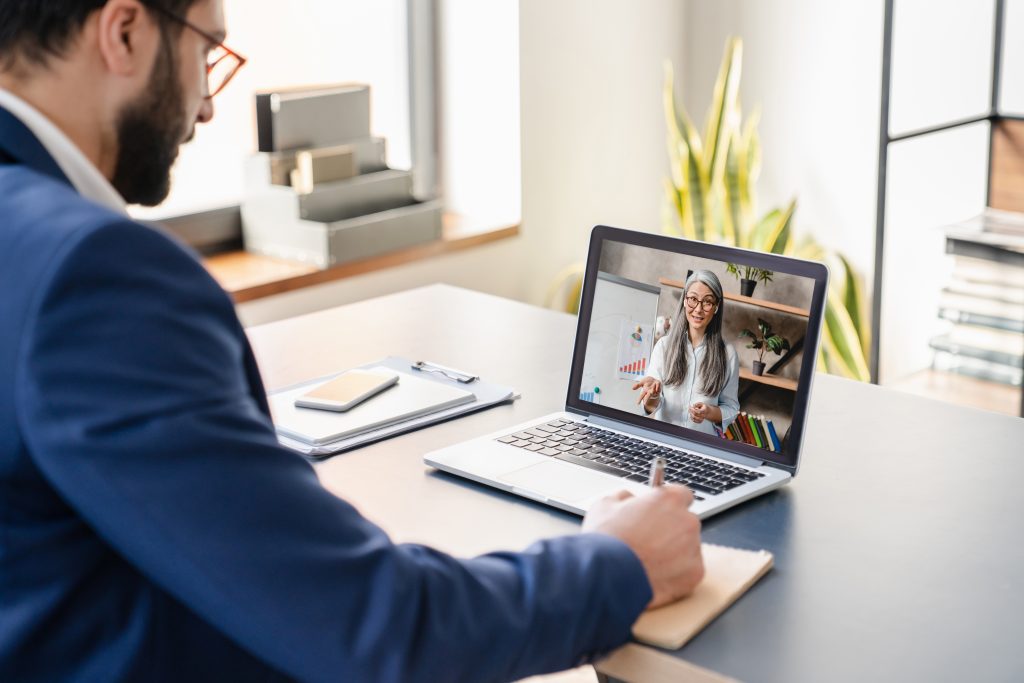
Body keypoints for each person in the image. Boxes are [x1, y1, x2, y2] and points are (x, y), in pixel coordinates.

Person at [0, 1, 705, 681]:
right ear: (123, 32)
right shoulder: (93, 274)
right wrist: (618, 561)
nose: (208, 104)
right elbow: (379, 630)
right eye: (206, 51)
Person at [633, 270, 740, 436]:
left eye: (707, 302)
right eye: (693, 299)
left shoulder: (728, 354)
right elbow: (650, 406)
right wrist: (652, 396)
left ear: (716, 306)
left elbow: (732, 409)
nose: (698, 309)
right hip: (663, 442)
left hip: (702, 447)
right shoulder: (664, 346)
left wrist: (709, 412)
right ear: (684, 300)